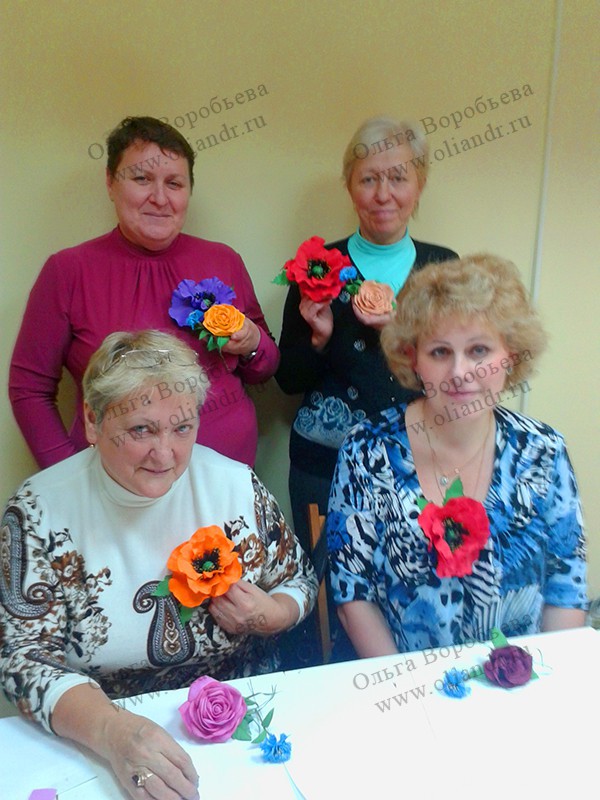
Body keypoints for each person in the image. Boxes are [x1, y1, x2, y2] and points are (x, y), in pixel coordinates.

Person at [0, 330, 317, 800]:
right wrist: (111, 731)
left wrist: (275, 614)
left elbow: (299, 580)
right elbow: (23, 659)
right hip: (98, 736)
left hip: (239, 726)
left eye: (182, 428)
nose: (165, 454)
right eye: (141, 430)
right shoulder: (38, 511)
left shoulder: (234, 485)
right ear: (92, 421)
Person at [327, 253, 588, 658]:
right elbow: (352, 594)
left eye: (479, 350)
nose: (460, 373)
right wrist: (407, 687)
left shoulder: (544, 450)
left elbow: (566, 586)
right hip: (399, 681)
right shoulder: (366, 449)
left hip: (518, 680)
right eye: (440, 352)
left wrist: (543, 680)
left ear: (510, 355)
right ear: (413, 358)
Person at [9, 115, 279, 470]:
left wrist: (253, 343)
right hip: (112, 484)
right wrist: (68, 476)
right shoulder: (67, 271)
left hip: (226, 477)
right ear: (110, 183)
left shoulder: (223, 260)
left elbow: (264, 368)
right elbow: (29, 388)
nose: (160, 198)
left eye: (174, 183)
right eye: (141, 179)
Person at [275, 116, 457, 553]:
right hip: (323, 466)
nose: (382, 194)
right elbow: (287, 380)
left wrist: (400, 333)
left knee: (409, 576)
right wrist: (318, 341)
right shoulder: (317, 265)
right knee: (327, 582)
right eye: (369, 179)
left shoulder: (444, 268)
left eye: (398, 178)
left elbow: (459, 377)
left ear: (420, 184)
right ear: (349, 185)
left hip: (418, 463)